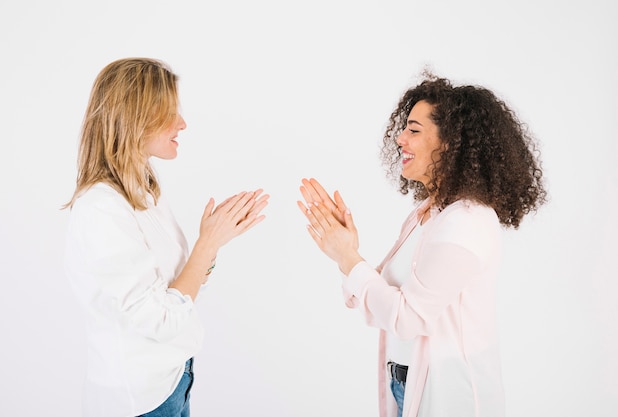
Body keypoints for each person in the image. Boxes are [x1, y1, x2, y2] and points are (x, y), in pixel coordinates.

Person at [297, 73, 546, 417]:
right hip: (406, 383)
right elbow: (381, 296)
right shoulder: (429, 213)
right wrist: (347, 253)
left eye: (414, 130)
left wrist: (349, 258)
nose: (400, 138)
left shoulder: (466, 222)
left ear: (451, 143)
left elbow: (407, 317)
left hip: (449, 396)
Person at [63, 58, 269, 417]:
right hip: (138, 400)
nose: (183, 123)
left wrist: (213, 241)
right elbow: (161, 317)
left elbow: (180, 294)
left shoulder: (144, 191)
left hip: (171, 383)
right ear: (135, 119)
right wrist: (206, 244)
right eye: (169, 112)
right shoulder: (102, 209)